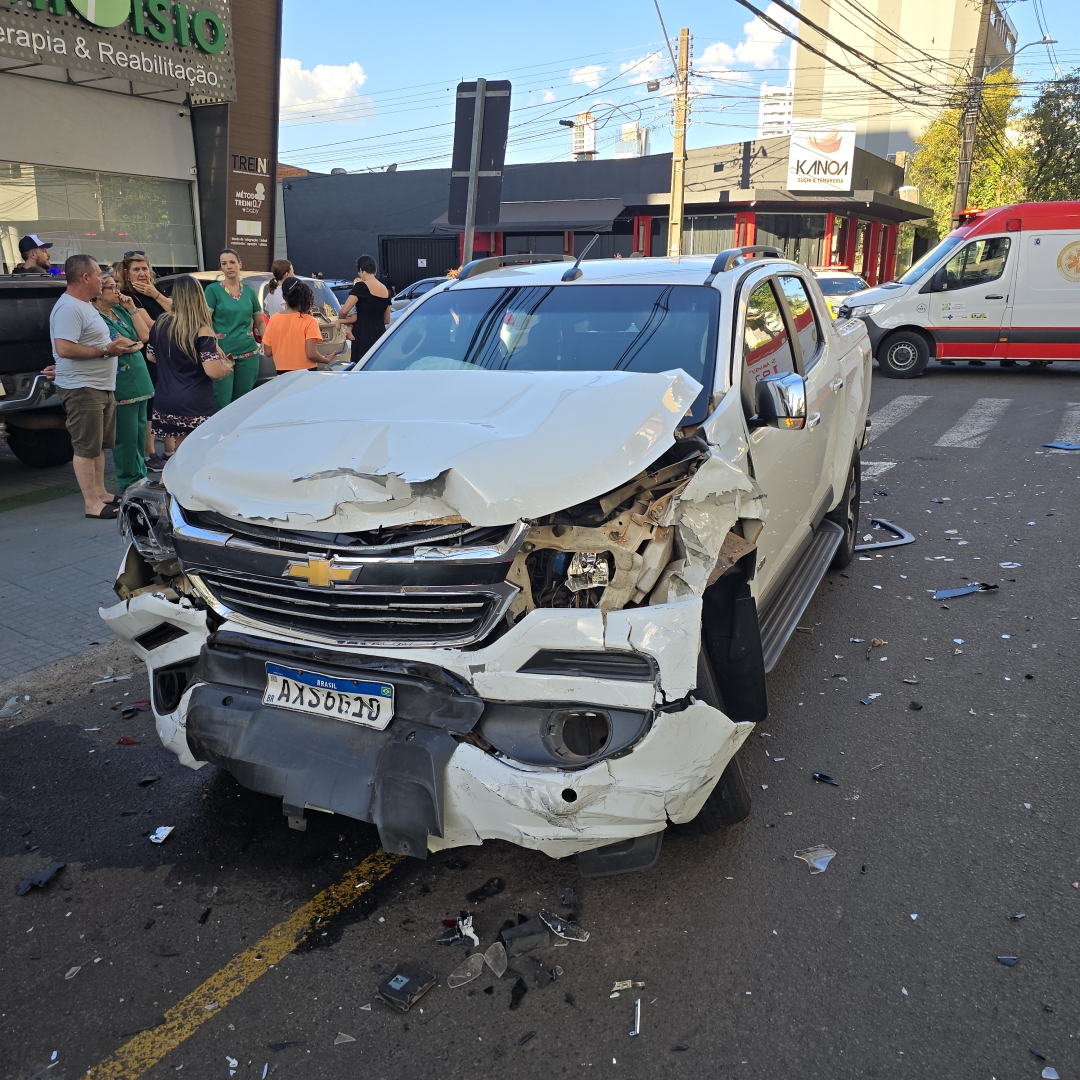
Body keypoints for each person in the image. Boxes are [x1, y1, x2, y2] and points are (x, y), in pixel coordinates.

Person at [48, 255, 141, 519]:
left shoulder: (84, 305)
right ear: (85, 277)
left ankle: (101, 494)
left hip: (99, 386)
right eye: (99, 275)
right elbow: (64, 348)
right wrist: (106, 351)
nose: (103, 280)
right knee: (86, 447)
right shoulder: (69, 308)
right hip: (83, 388)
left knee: (98, 445)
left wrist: (113, 347)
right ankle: (92, 504)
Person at [147, 275, 233, 450]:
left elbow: (151, 356)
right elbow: (213, 372)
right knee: (199, 452)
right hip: (195, 402)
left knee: (182, 451)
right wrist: (226, 368)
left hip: (166, 399)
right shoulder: (201, 329)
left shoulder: (160, 323)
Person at [91, 274, 154, 491]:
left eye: (117, 286)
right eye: (111, 287)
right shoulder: (95, 316)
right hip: (121, 381)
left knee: (139, 433)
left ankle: (140, 475)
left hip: (140, 377)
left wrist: (133, 309)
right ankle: (129, 480)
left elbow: (144, 336)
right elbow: (120, 344)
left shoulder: (120, 310)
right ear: (99, 292)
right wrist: (135, 345)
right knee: (126, 436)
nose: (117, 291)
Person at [116, 251, 172, 468]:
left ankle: (170, 450)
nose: (142, 273)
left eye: (144, 268)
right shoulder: (129, 296)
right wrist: (174, 321)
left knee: (165, 401)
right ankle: (150, 454)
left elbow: (179, 312)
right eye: (136, 269)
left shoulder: (154, 292)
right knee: (150, 404)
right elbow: (152, 325)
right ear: (127, 273)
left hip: (166, 355)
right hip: (146, 356)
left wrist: (156, 294)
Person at [205, 248, 265, 409]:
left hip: (248, 353)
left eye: (232, 262)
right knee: (222, 401)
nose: (229, 266)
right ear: (220, 268)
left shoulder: (249, 292)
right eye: (224, 263)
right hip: (223, 354)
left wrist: (266, 339)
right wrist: (213, 344)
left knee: (244, 402)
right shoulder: (213, 290)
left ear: (240, 264)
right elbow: (204, 322)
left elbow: (259, 321)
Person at [261, 277, 323, 372]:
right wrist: (325, 360)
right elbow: (311, 354)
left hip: (282, 372)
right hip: (307, 372)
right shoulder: (310, 321)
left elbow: (268, 352)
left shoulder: (274, 319)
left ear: (283, 297)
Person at [337, 254, 391, 356]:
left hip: (362, 335)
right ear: (375, 271)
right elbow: (387, 319)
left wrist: (345, 322)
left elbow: (344, 311)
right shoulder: (385, 290)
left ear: (361, 270)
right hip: (380, 335)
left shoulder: (361, 287)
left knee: (360, 363)